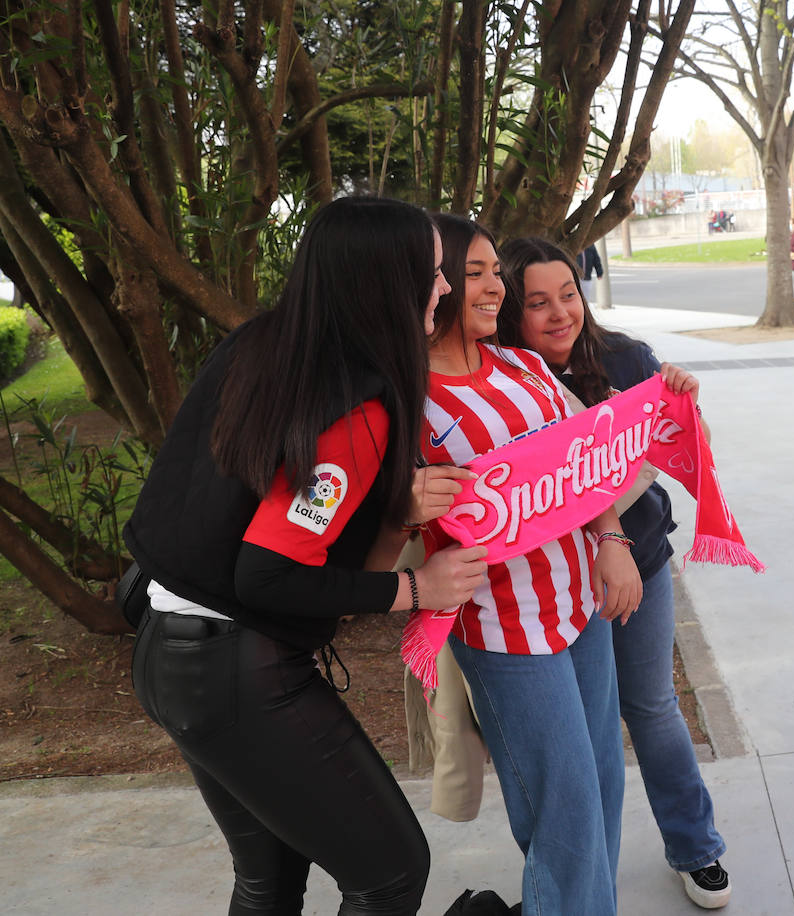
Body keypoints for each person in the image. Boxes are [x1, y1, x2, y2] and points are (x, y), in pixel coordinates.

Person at [123, 196, 489, 914]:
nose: (445, 290)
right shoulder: (354, 405)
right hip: (232, 674)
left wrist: (395, 512)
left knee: (270, 876)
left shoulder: (264, 345)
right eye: (434, 273)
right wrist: (421, 588)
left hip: (167, 652)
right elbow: (269, 573)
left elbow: (264, 523)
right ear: (386, 282)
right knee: (390, 873)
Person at [495, 236, 733, 910]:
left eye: (567, 294)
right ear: (511, 311)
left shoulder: (626, 357)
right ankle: (574, 877)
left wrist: (684, 404)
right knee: (572, 746)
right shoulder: (503, 383)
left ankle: (696, 846)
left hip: (642, 564)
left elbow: (692, 448)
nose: (558, 313)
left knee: (651, 705)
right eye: (536, 303)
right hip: (549, 591)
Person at [421, 214, 642, 916]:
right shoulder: (406, 399)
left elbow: (586, 463)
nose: (494, 289)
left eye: (496, 274)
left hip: (583, 606)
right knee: (566, 812)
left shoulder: (521, 364)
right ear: (432, 285)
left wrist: (613, 541)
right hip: (505, 629)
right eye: (475, 274)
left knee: (603, 785)